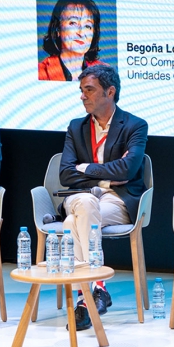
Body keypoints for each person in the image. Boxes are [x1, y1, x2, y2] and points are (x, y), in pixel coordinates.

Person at [58, 64, 148, 330]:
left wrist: (85, 168)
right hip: (80, 196)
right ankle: (97, 288)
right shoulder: (76, 127)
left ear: (110, 92)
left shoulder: (135, 125)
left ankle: (84, 299)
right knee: (85, 205)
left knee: (71, 223)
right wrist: (106, 178)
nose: (82, 96)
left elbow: (128, 170)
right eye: (81, 90)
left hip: (117, 199)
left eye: (89, 90)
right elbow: (65, 174)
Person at [39, 0, 106, 81]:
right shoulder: (40, 73)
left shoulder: (105, 73)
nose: (81, 33)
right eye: (73, 23)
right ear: (58, 29)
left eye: (87, 26)